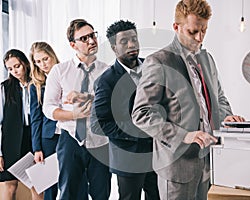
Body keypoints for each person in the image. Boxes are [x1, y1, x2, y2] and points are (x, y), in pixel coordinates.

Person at [131, 0, 245, 199]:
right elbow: (141, 114)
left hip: (209, 161)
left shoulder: (207, 59)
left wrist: (227, 117)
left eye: (204, 31)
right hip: (177, 165)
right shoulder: (158, 61)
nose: (200, 38)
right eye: (193, 32)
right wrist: (184, 135)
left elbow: (219, 98)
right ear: (176, 27)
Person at [43, 19, 111, 200]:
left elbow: (113, 104)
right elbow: (48, 108)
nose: (91, 41)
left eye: (93, 35)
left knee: (101, 193)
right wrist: (73, 114)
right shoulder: (59, 71)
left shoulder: (107, 71)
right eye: (84, 38)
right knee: (68, 193)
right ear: (73, 45)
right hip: (70, 139)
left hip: (100, 142)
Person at [91, 20, 160, 200]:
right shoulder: (106, 81)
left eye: (134, 39)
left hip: (158, 152)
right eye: (124, 42)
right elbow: (98, 124)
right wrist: (138, 130)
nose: (131, 45)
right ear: (114, 48)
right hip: (127, 158)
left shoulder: (153, 67)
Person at [29, 41, 89, 200]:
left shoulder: (68, 73)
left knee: (77, 178)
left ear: (52, 56)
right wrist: (37, 148)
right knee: (50, 184)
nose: (43, 64)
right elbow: (36, 119)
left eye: (45, 59)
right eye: (38, 61)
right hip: (49, 138)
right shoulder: (36, 86)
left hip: (71, 133)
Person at [0, 49, 42, 200]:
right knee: (9, 184)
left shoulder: (38, 83)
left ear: (25, 63)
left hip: (34, 137)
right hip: (11, 142)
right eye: (10, 69)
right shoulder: (4, 88)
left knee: (37, 184)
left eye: (17, 66)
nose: (14, 71)